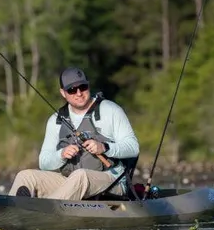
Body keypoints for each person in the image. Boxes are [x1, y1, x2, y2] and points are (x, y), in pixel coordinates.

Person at [8, 67, 139, 200]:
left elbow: (133, 148)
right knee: (26, 176)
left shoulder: (110, 110)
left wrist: (105, 147)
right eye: (71, 90)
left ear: (88, 85)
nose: (79, 93)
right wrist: (61, 154)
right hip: (71, 181)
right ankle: (9, 210)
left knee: (81, 176)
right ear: (63, 93)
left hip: (111, 180)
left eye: (83, 87)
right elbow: (44, 163)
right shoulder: (55, 120)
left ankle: (43, 209)